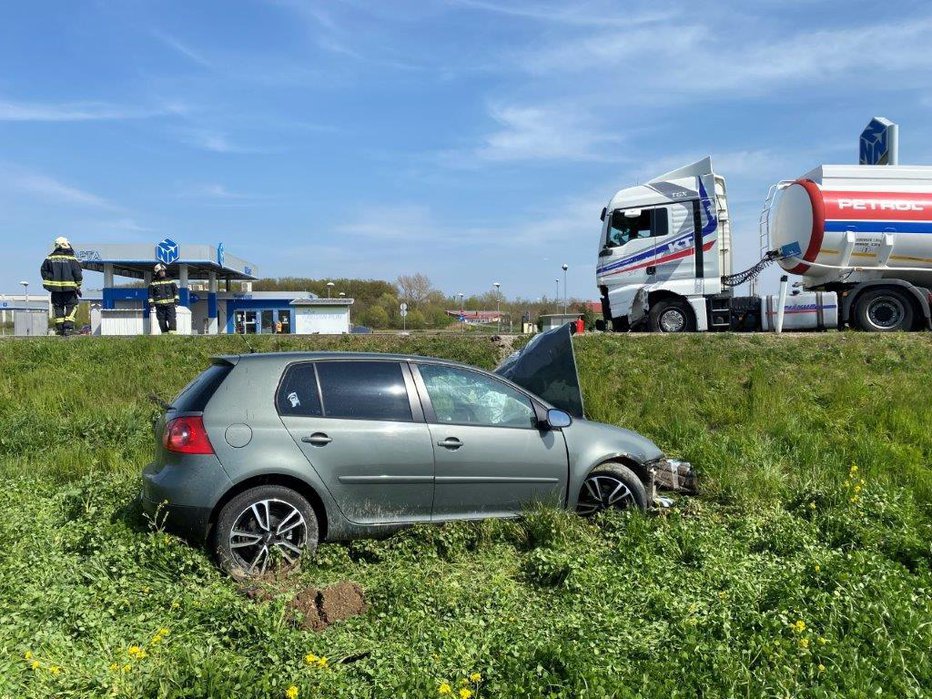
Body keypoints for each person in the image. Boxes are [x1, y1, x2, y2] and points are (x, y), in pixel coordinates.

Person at [40, 237, 83, 336]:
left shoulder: (49, 258)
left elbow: (43, 271)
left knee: (58, 307)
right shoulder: (72, 258)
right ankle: (68, 328)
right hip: (70, 290)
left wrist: (51, 280)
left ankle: (60, 329)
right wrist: (78, 285)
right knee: (72, 306)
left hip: (55, 290)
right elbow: (78, 274)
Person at [147, 263, 179, 334]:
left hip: (170, 306)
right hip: (159, 307)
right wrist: (151, 304)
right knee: (161, 321)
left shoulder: (170, 281)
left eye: (164, 271)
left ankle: (173, 336)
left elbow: (176, 292)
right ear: (157, 273)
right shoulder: (153, 283)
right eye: (161, 271)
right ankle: (165, 337)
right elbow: (150, 295)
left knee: (172, 320)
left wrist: (176, 301)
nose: (163, 273)